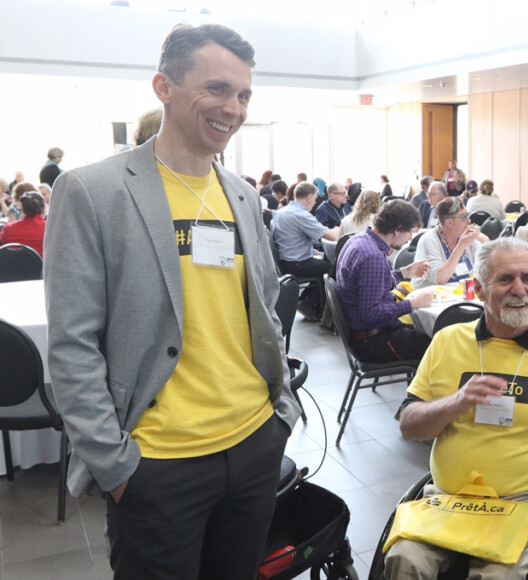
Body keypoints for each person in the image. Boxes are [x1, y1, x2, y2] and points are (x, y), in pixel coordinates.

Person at [43, 23, 301, 579]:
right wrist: (114, 466)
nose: (232, 108)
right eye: (216, 89)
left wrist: (282, 415)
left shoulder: (243, 194)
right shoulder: (93, 191)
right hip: (157, 462)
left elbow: (266, 308)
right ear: (163, 86)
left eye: (243, 94)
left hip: (254, 443)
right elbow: (72, 344)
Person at [385, 237, 528, 578]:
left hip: (527, 503)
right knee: (403, 560)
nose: (519, 289)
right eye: (505, 279)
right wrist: (456, 402)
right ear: (478, 289)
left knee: (497, 576)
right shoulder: (447, 342)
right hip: (450, 498)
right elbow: (409, 425)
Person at [335, 200, 434, 363]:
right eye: (409, 232)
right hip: (373, 341)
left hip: (367, 334)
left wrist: (405, 272)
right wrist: (413, 304)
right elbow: (371, 314)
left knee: (432, 336)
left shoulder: (359, 240)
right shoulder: (373, 257)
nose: (410, 238)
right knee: (441, 343)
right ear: (398, 229)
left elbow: (370, 285)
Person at [271, 181, 341, 321]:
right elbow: (331, 236)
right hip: (297, 263)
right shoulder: (301, 215)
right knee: (334, 268)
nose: (315, 202)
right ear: (309, 198)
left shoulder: (281, 211)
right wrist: (342, 229)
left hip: (285, 261)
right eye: (315, 198)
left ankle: (305, 301)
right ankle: (308, 303)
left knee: (325, 265)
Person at [412, 197, 488, 289]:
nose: (469, 220)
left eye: (467, 214)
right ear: (449, 222)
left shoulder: (467, 237)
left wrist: (485, 241)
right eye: (463, 216)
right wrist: (461, 246)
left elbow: (485, 269)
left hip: (462, 296)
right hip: (432, 297)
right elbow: (440, 278)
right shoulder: (428, 240)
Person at [0, 191, 46, 255]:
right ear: (44, 208)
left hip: (11, 264)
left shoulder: (8, 229)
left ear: (22, 207)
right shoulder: (49, 230)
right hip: (40, 264)